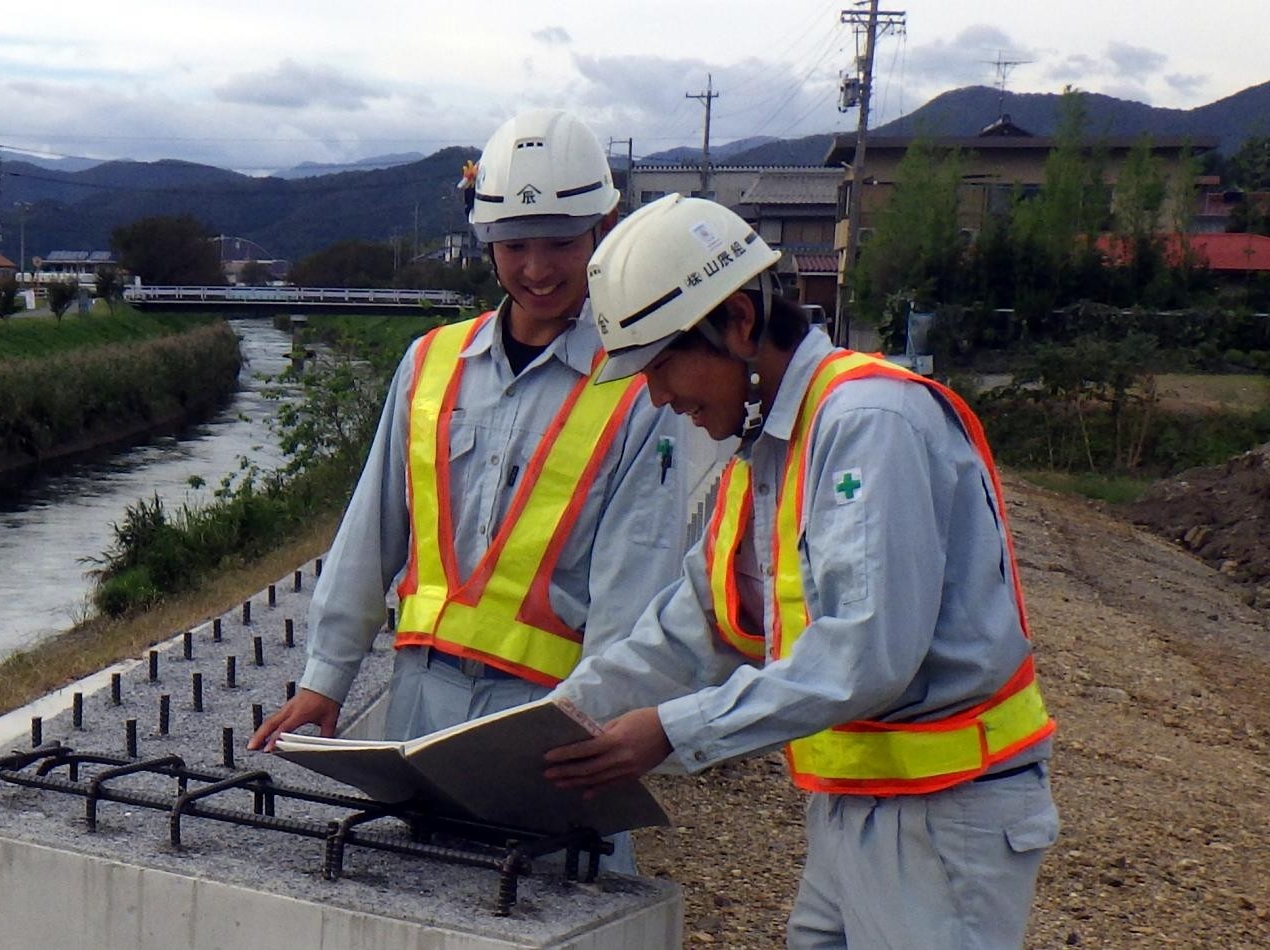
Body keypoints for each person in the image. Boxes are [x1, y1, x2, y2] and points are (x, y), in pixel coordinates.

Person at [544, 194, 1059, 947]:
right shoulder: (767, 451)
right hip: (858, 802)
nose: (658, 397)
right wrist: (552, 724)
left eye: (663, 365)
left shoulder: (868, 424)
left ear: (742, 324)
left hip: (946, 814)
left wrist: (672, 730)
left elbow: (867, 652)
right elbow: (698, 626)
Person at [249, 111, 687, 869]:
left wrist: (600, 729)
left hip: (549, 723)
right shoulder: (431, 365)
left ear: (605, 228)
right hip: (419, 707)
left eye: (561, 242)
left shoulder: (640, 385)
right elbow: (371, 531)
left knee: (551, 899)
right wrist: (326, 678)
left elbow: (635, 592)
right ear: (488, 242)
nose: (538, 267)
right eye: (516, 244)